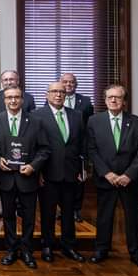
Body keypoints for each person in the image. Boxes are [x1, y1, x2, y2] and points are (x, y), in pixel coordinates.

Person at [87, 85, 138, 272]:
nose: (113, 100)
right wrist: (107, 173)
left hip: (130, 181)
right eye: (110, 97)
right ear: (105, 100)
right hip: (105, 178)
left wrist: (128, 175)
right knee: (104, 217)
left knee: (132, 219)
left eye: (118, 97)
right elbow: (92, 150)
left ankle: (137, 254)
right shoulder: (94, 121)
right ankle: (101, 250)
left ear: (125, 101)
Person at [0, 86, 50, 269]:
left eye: (17, 97)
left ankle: (26, 251)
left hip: (28, 177)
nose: (13, 101)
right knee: (8, 216)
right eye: (9, 97)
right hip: (6, 177)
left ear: (22, 100)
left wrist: (33, 166)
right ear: (4, 100)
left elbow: (45, 149)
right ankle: (11, 250)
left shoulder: (35, 121)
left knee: (29, 217)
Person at [33, 82, 86, 263]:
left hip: (71, 173)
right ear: (46, 94)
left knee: (69, 212)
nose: (58, 95)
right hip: (47, 173)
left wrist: (81, 170)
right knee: (48, 213)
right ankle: (47, 246)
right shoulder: (37, 116)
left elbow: (80, 145)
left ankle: (68, 246)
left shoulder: (76, 116)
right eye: (54, 92)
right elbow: (34, 147)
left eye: (62, 92)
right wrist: (37, 172)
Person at [60, 72, 95, 223]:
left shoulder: (86, 102)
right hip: (59, 148)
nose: (68, 85)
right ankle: (62, 210)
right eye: (65, 82)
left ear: (76, 84)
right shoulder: (53, 99)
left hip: (78, 147)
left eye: (72, 82)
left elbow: (89, 127)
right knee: (60, 181)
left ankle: (76, 210)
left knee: (78, 180)